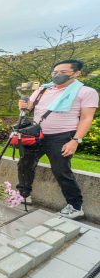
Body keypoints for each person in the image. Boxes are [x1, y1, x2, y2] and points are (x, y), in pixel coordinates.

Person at [17, 60, 98, 219]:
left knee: (61, 170)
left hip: (62, 137)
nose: (57, 75)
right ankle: (23, 194)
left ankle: (75, 206)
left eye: (63, 72)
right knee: (25, 164)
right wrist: (23, 105)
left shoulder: (86, 92)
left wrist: (75, 140)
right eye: (55, 72)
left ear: (76, 73)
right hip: (36, 134)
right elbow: (29, 108)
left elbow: (86, 119)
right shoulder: (43, 89)